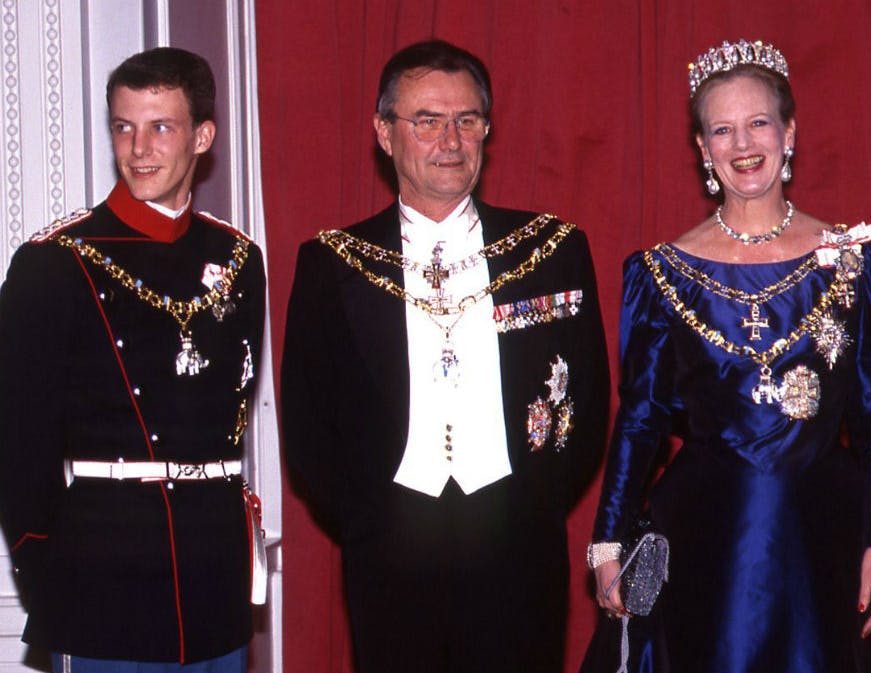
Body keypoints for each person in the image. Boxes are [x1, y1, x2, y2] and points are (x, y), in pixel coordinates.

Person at [587, 39, 871, 673]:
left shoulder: (855, 259)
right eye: (722, 129)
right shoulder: (659, 273)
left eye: (758, 123)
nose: (743, 144)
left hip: (824, 535)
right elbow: (640, 418)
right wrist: (607, 541)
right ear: (702, 148)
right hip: (703, 539)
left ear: (789, 132)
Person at [280, 39, 609, 673]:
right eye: (426, 121)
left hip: (518, 549)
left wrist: (535, 506)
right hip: (388, 557)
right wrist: (368, 522)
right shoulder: (332, 263)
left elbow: (589, 403)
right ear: (384, 132)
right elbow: (308, 423)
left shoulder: (549, 249)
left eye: (467, 120)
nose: (450, 141)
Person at [0, 47, 266, 673]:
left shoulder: (237, 258)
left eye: (161, 127)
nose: (139, 148)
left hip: (215, 578)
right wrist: (44, 571)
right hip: (104, 581)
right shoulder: (54, 262)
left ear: (203, 136)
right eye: (124, 126)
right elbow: (17, 439)